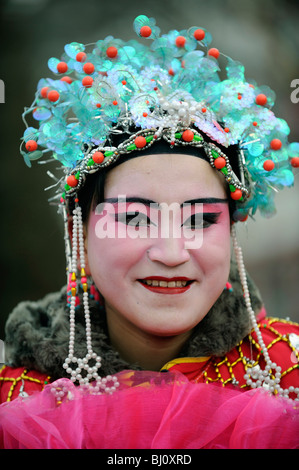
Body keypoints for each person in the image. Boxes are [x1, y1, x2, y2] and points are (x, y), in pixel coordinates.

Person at [0, 15, 298, 449]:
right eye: (135, 218)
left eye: (200, 220)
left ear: (232, 228)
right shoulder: (16, 396)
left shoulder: (287, 371)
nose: (173, 251)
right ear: (78, 229)